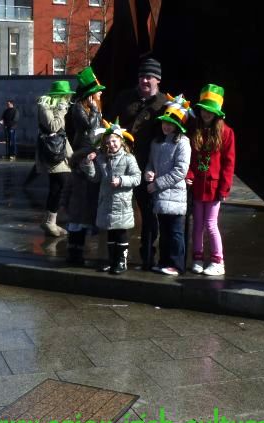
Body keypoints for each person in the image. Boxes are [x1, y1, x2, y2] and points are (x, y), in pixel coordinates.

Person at [111, 55, 168, 271]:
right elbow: (110, 123)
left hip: (147, 167)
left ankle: (147, 254)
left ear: (158, 80)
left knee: (148, 213)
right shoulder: (125, 98)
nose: (145, 81)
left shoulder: (164, 103)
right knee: (119, 210)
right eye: (142, 76)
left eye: (150, 77)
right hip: (122, 165)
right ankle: (117, 256)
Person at [186, 84, 236, 276]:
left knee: (210, 224)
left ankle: (218, 260)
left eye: (210, 111)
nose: (206, 114)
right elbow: (190, 158)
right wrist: (189, 175)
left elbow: (228, 163)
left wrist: (224, 188)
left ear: (217, 113)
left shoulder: (226, 133)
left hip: (214, 187)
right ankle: (197, 258)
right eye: (204, 110)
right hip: (198, 185)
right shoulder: (195, 130)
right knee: (197, 223)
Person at [81, 121, 141, 274]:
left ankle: (121, 261)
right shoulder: (102, 158)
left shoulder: (128, 158)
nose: (111, 144)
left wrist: (121, 180)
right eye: (108, 142)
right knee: (109, 232)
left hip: (121, 203)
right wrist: (88, 163)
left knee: (120, 233)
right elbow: (95, 178)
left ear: (121, 141)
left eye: (114, 141)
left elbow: (137, 178)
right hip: (106, 202)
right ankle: (111, 259)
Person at [145, 94, 193, 276]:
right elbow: (150, 163)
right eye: (165, 122)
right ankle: (164, 261)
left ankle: (177, 264)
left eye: (171, 123)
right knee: (164, 231)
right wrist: (148, 173)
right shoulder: (156, 142)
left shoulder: (183, 143)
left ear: (178, 126)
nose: (167, 126)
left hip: (174, 195)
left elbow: (180, 171)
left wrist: (156, 184)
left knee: (175, 232)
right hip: (160, 195)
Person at [63, 66, 105, 266]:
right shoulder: (79, 108)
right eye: (97, 92)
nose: (100, 94)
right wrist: (96, 111)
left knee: (86, 205)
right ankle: (74, 252)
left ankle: (78, 251)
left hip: (91, 154)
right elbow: (90, 127)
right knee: (79, 207)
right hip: (83, 153)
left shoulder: (90, 108)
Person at [36, 81, 74, 237]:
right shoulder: (45, 106)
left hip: (60, 151)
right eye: (65, 95)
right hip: (53, 152)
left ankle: (51, 222)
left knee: (57, 187)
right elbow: (53, 126)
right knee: (63, 184)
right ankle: (51, 221)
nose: (67, 97)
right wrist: (61, 110)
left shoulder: (59, 106)